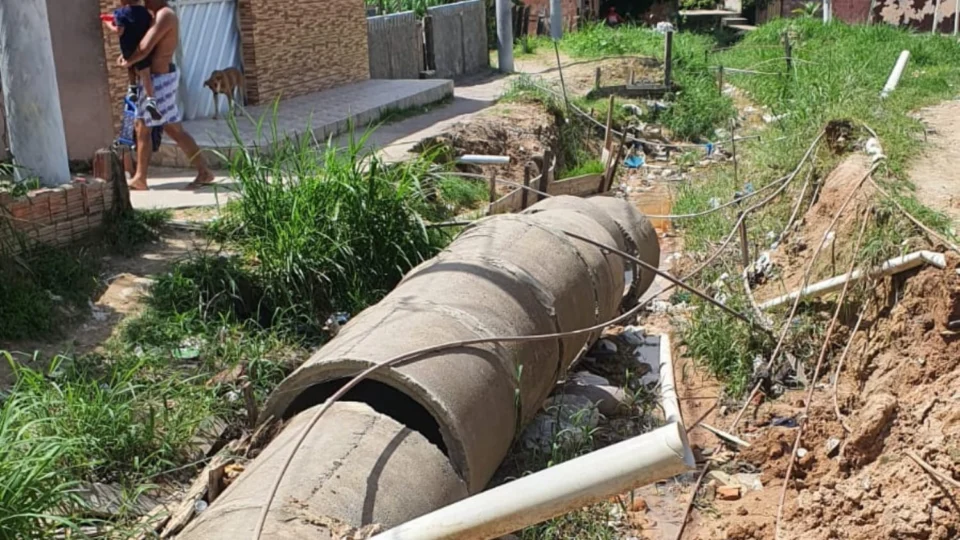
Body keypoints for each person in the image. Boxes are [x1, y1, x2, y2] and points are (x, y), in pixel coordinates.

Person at [118, 0, 213, 191]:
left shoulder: (165, 15)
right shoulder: (153, 15)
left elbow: (144, 48)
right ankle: (204, 171)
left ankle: (140, 178)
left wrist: (128, 60)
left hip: (160, 80)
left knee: (143, 125)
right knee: (171, 129)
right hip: (156, 80)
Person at [104, 0, 161, 121]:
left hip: (128, 49)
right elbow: (151, 25)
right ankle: (151, 100)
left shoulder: (120, 13)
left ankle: (133, 88)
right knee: (145, 73)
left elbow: (119, 30)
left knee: (130, 66)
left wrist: (107, 22)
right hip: (141, 48)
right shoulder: (145, 12)